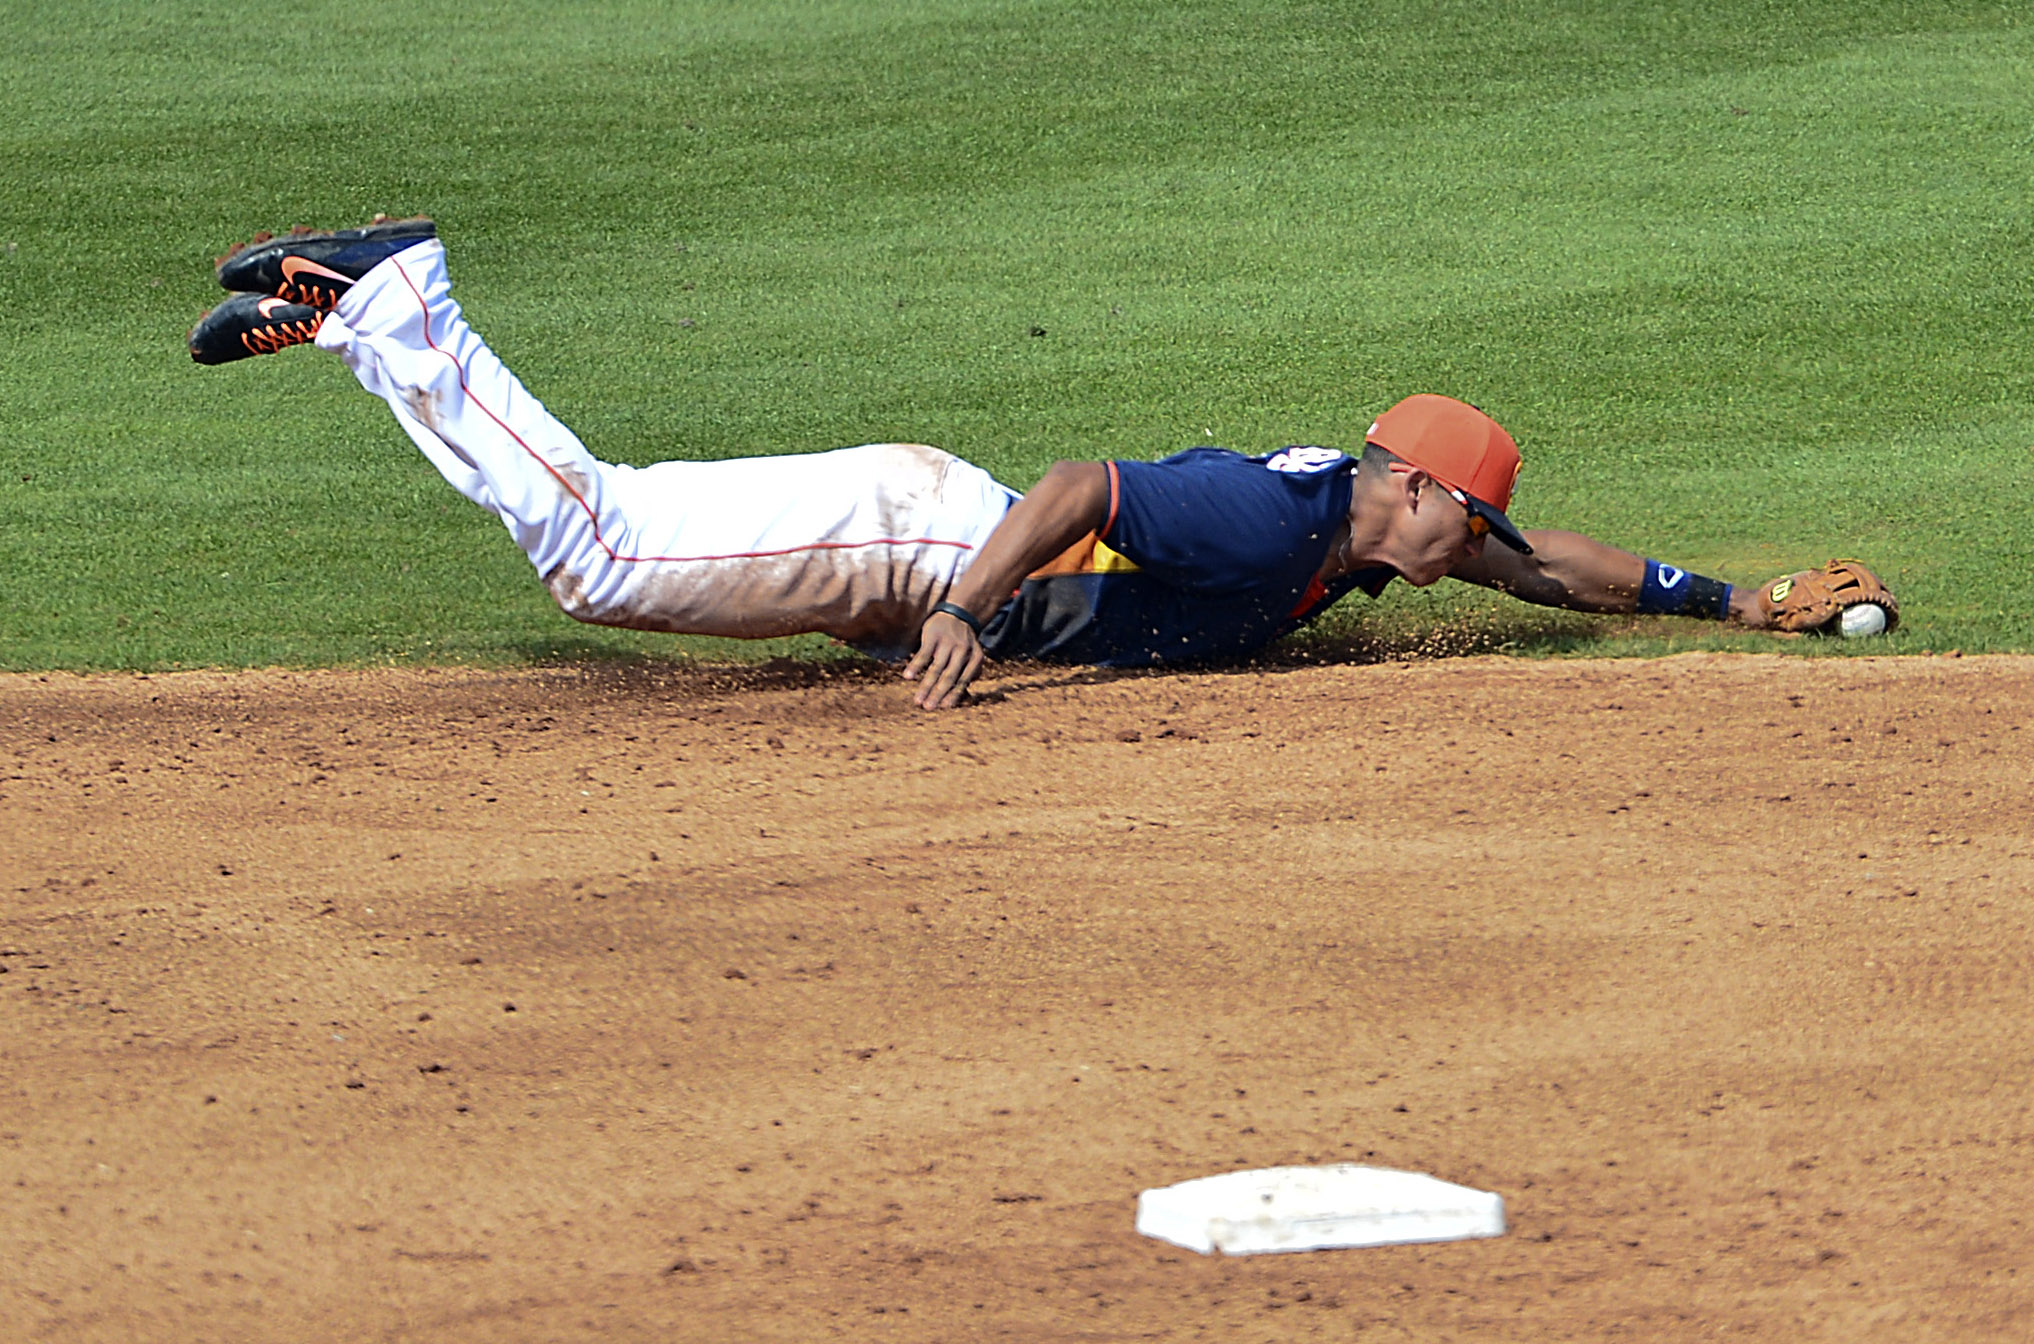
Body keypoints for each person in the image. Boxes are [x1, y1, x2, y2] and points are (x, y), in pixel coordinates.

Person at [189, 217, 1861, 710]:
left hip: (921, 534)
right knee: (598, 554)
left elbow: (1552, 564)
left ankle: (360, 325)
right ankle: (404, 297)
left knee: (598, 546)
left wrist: (1735, 600)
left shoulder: (1369, 539)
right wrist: (970, 616)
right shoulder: (1273, 508)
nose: (1475, 547)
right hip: (919, 538)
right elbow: (1075, 488)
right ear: (1407, 484)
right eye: (1464, 517)